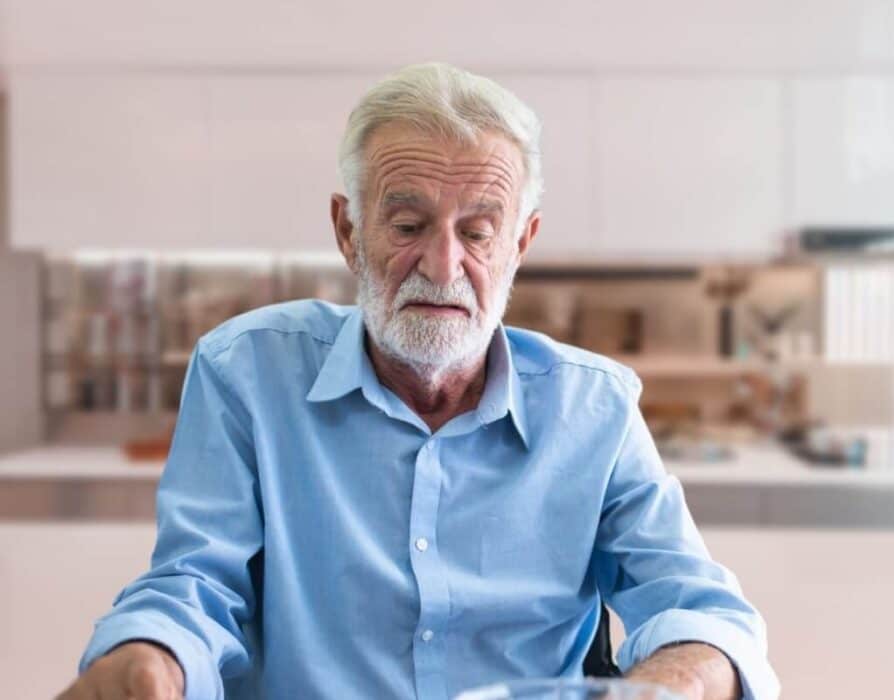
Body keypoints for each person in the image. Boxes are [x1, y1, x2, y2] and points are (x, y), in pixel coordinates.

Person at [57, 63, 778, 700]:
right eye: (407, 224)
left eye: (477, 231)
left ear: (521, 243)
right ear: (348, 230)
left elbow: (704, 613)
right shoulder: (245, 373)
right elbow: (196, 586)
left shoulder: (595, 409)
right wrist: (153, 656)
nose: (442, 265)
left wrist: (669, 686)